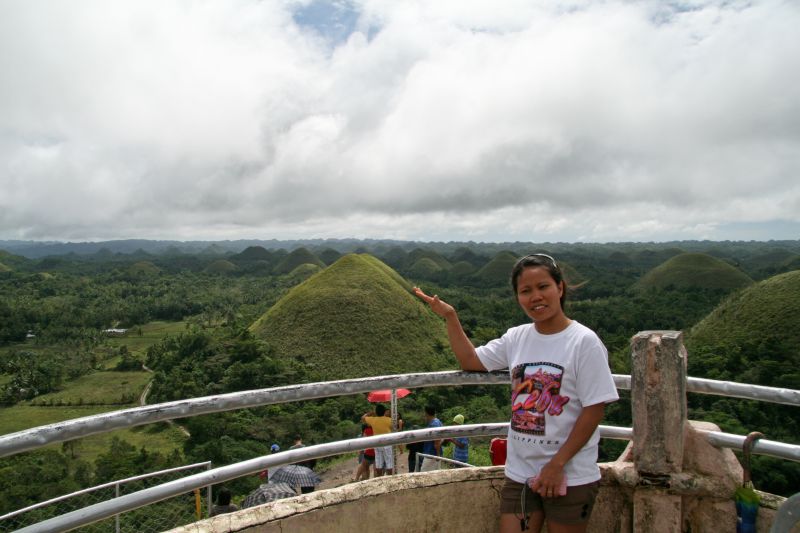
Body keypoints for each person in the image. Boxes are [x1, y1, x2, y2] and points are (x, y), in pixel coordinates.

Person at [415, 253, 619, 533]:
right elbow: (471, 361)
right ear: (518, 297)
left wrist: (557, 464)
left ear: (560, 288)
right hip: (520, 472)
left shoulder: (584, 342)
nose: (536, 297)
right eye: (526, 291)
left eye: (543, 287)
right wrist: (450, 317)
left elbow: (595, 408)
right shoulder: (517, 338)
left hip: (570, 474)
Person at [362, 404, 394, 476]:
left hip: (377, 443)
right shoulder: (389, 420)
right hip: (387, 443)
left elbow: (363, 418)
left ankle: (380, 478)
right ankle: (390, 478)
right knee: (389, 462)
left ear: (376, 412)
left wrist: (370, 413)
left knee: (379, 463)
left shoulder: (373, 420)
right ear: (384, 412)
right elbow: (394, 427)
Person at [419, 405, 442, 471]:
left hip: (431, 454)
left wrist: (437, 455)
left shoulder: (433, 425)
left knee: (424, 474)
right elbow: (442, 438)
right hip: (433, 454)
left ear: (426, 413)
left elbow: (437, 442)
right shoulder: (437, 421)